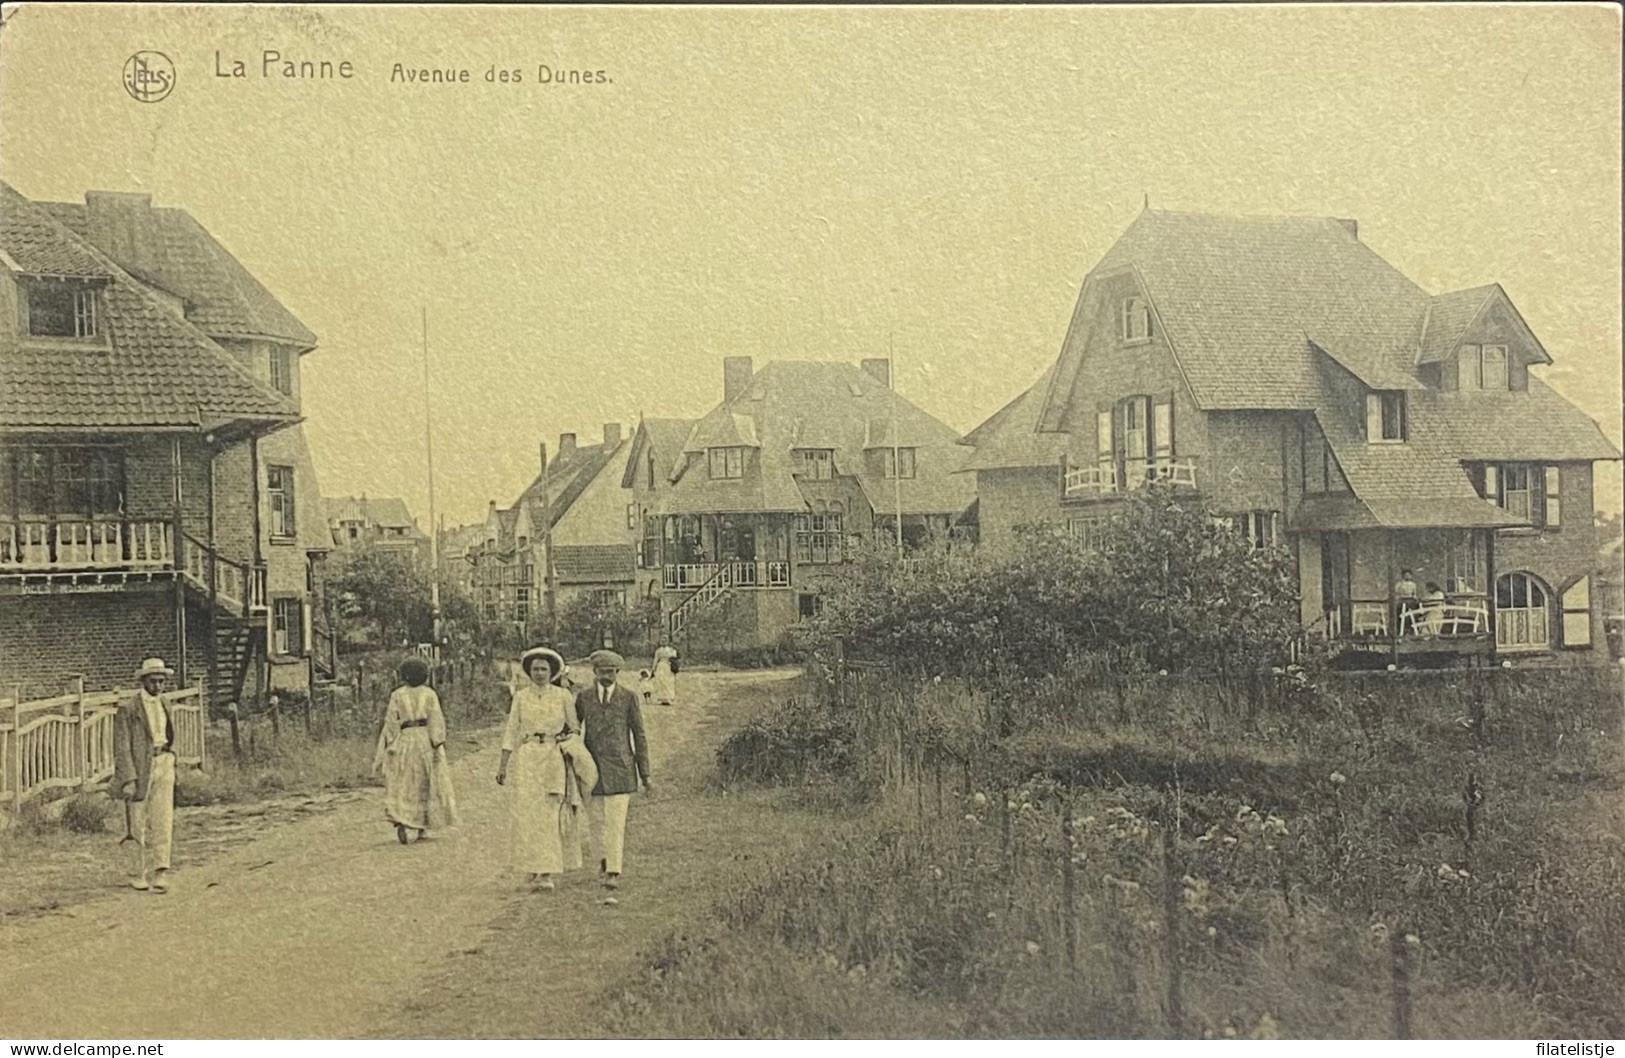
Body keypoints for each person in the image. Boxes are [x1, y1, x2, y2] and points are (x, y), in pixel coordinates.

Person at [497, 646, 597, 891]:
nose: (539, 673)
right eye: (535, 669)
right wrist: (503, 765)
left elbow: (574, 728)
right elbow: (511, 730)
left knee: (550, 813)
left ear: (552, 671)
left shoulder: (562, 696)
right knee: (527, 814)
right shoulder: (521, 696)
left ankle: (546, 872)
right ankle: (531, 866)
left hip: (553, 757)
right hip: (528, 756)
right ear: (529, 672)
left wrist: (567, 744)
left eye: (544, 669)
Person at [576, 649, 651, 891]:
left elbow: (639, 735)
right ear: (594, 672)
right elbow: (573, 732)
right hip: (592, 769)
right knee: (596, 822)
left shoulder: (628, 697)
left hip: (621, 767)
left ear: (618, 672)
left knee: (616, 823)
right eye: (602, 672)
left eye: (611, 672)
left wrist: (645, 773)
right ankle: (602, 862)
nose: (607, 676)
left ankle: (613, 871)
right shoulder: (584, 698)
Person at [372, 657, 459, 845]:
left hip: (405, 738)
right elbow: (436, 719)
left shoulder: (397, 694)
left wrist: (391, 743)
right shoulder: (429, 694)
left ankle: (403, 818)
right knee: (425, 781)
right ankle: (420, 824)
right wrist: (437, 742)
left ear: (403, 676)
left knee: (404, 780)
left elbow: (391, 722)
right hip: (424, 739)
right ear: (425, 675)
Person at [111, 658, 179, 892]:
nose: (158, 686)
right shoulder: (128, 708)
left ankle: (161, 870)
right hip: (140, 769)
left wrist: (171, 756)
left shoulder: (165, 703)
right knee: (136, 821)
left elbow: (169, 734)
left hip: (164, 762)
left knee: (163, 819)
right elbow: (122, 746)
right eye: (153, 681)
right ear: (143, 681)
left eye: (161, 681)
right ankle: (137, 872)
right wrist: (128, 779)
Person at [650, 643, 680, 707]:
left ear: (667, 641)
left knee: (668, 682)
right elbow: (655, 660)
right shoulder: (658, 650)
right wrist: (653, 669)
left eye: (665, 640)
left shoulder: (671, 650)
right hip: (660, 666)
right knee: (661, 681)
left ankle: (668, 698)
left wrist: (674, 664)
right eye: (662, 641)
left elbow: (674, 657)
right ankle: (661, 698)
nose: (664, 642)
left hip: (668, 666)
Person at [1394, 569, 1421, 635]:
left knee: (1412, 615)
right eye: (1406, 575)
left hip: (1410, 601)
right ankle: (1400, 631)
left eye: (1409, 575)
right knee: (1401, 615)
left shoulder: (1413, 584)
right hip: (1401, 600)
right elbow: (1396, 592)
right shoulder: (1399, 584)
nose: (1407, 576)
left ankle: (1411, 630)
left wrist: (1415, 598)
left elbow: (1414, 594)